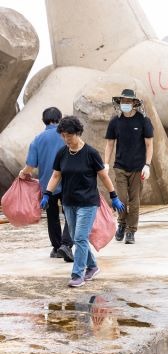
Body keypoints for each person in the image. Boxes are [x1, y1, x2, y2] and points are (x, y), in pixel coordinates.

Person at [41, 116, 125, 287]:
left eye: (69, 136)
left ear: (77, 133)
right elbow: (56, 175)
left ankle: (77, 274)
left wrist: (114, 196)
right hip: (68, 202)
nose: (66, 139)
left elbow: (103, 176)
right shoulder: (62, 153)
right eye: (63, 135)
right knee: (75, 236)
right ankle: (92, 266)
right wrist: (47, 193)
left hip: (88, 202)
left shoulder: (90, 153)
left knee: (79, 237)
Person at [19, 107, 75, 262]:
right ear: (60, 118)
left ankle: (57, 248)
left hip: (47, 186)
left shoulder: (38, 139)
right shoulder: (66, 136)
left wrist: (23, 173)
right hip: (68, 182)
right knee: (70, 214)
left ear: (44, 120)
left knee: (52, 217)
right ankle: (66, 245)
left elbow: (30, 165)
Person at [104, 89, 154, 245]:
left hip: (138, 168)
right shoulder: (115, 121)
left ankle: (131, 231)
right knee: (122, 199)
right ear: (119, 102)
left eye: (128, 101)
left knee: (135, 201)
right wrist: (105, 163)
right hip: (120, 166)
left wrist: (147, 165)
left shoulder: (143, 121)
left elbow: (149, 144)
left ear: (134, 103)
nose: (125, 104)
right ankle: (122, 224)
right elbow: (109, 144)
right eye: (123, 101)